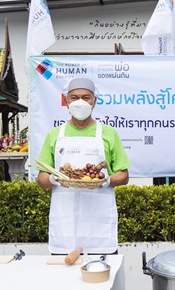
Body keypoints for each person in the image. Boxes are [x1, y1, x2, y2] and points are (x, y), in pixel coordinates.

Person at [36, 76, 130, 256]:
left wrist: (107, 180)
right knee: (64, 269)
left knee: (102, 269)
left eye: (86, 98)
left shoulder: (109, 133)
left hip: (98, 221)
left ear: (94, 101)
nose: (80, 102)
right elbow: (41, 179)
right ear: (66, 101)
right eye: (74, 97)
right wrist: (54, 178)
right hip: (65, 221)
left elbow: (124, 175)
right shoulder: (54, 134)